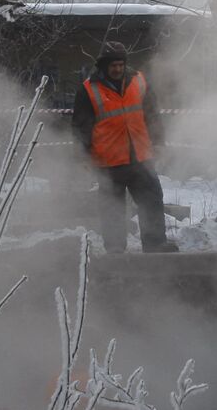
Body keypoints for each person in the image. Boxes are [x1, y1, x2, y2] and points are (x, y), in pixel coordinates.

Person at [72, 41, 177, 253]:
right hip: (108, 161)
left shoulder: (138, 82)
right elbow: (81, 126)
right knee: (112, 209)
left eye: (120, 64)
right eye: (113, 65)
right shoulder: (88, 90)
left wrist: (158, 142)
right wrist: (83, 156)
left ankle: (155, 244)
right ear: (103, 65)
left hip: (140, 156)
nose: (118, 69)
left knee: (151, 200)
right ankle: (115, 250)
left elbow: (152, 116)